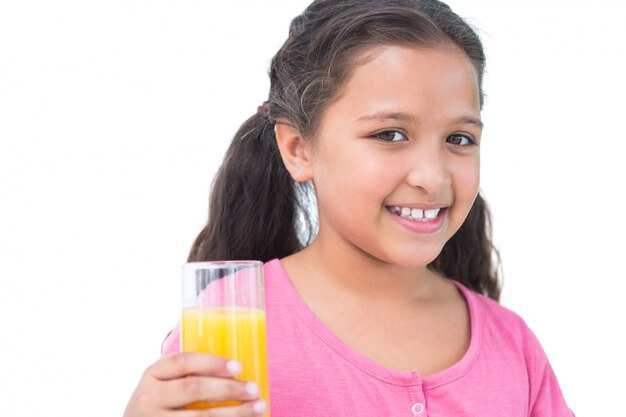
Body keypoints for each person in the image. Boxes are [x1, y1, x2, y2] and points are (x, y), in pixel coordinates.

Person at [124, 0, 573, 415]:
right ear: (299, 149)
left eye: (459, 139)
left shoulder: (513, 345)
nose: (433, 177)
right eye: (391, 135)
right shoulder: (231, 329)